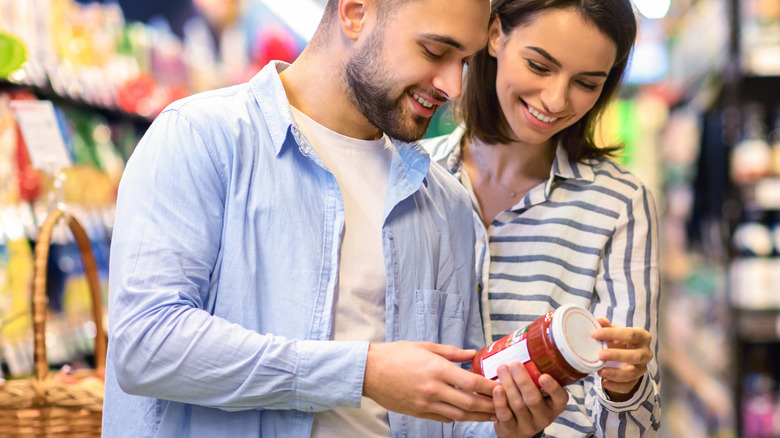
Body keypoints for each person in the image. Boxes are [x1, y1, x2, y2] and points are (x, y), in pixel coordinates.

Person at [101, 0, 570, 437]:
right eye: (435, 50)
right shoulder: (203, 139)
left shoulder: (446, 208)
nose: (453, 86)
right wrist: (363, 372)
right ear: (354, 12)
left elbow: (448, 412)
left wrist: (504, 424)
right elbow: (147, 345)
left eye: (465, 61)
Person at [423, 0, 661, 436]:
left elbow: (633, 429)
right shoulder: (414, 178)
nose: (555, 100)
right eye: (539, 65)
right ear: (495, 34)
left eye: (586, 83)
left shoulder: (620, 203)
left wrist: (626, 384)